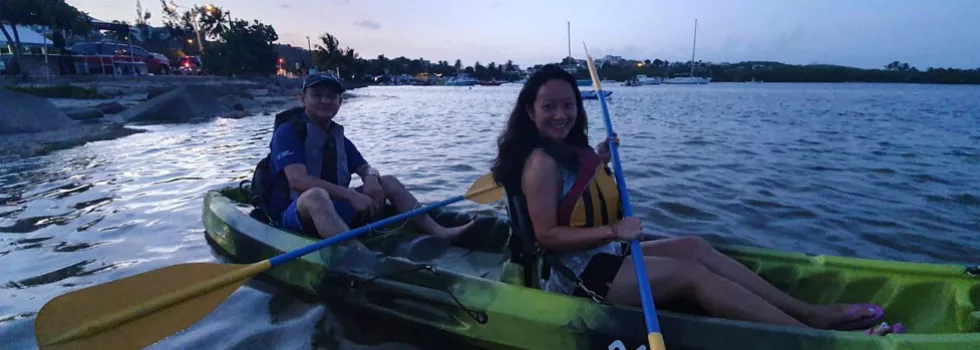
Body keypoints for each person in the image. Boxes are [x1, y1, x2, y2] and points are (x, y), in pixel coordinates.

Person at [490, 64, 901, 334]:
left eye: (569, 105)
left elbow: (575, 194)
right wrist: (615, 229)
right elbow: (547, 236)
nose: (561, 114)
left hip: (605, 254)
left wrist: (596, 160)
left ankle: (805, 310)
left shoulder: (564, 150)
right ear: (530, 111)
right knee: (690, 274)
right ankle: (811, 336)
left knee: (694, 246)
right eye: (550, 107)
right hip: (577, 277)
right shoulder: (539, 163)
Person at [266, 73, 473, 250]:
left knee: (389, 181)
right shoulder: (288, 132)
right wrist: (349, 194)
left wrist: (372, 177)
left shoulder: (336, 135)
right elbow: (297, 181)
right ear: (302, 99)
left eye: (331, 96)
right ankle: (358, 253)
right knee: (316, 196)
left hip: (331, 210)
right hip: (294, 216)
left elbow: (365, 167)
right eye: (317, 95)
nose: (325, 101)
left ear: (340, 102)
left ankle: (440, 232)